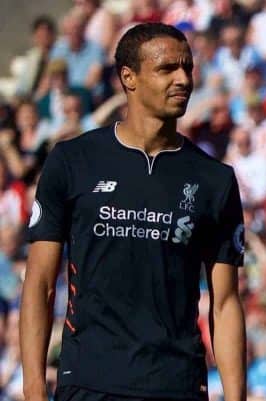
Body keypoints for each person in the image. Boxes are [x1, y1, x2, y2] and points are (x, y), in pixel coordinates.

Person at [20, 23, 246, 401]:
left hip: (177, 384)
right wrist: (33, 391)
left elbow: (224, 304)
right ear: (129, 77)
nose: (183, 79)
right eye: (167, 68)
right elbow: (40, 284)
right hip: (89, 382)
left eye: (187, 67)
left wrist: (236, 397)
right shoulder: (72, 161)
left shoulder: (215, 180)